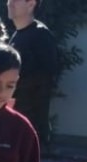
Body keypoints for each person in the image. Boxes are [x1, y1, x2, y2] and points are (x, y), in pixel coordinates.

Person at [7, 0, 57, 146]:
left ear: (31, 4)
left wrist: (12, 89)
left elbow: (45, 78)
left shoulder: (41, 35)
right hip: (13, 119)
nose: (10, 3)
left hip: (29, 124)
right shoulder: (16, 35)